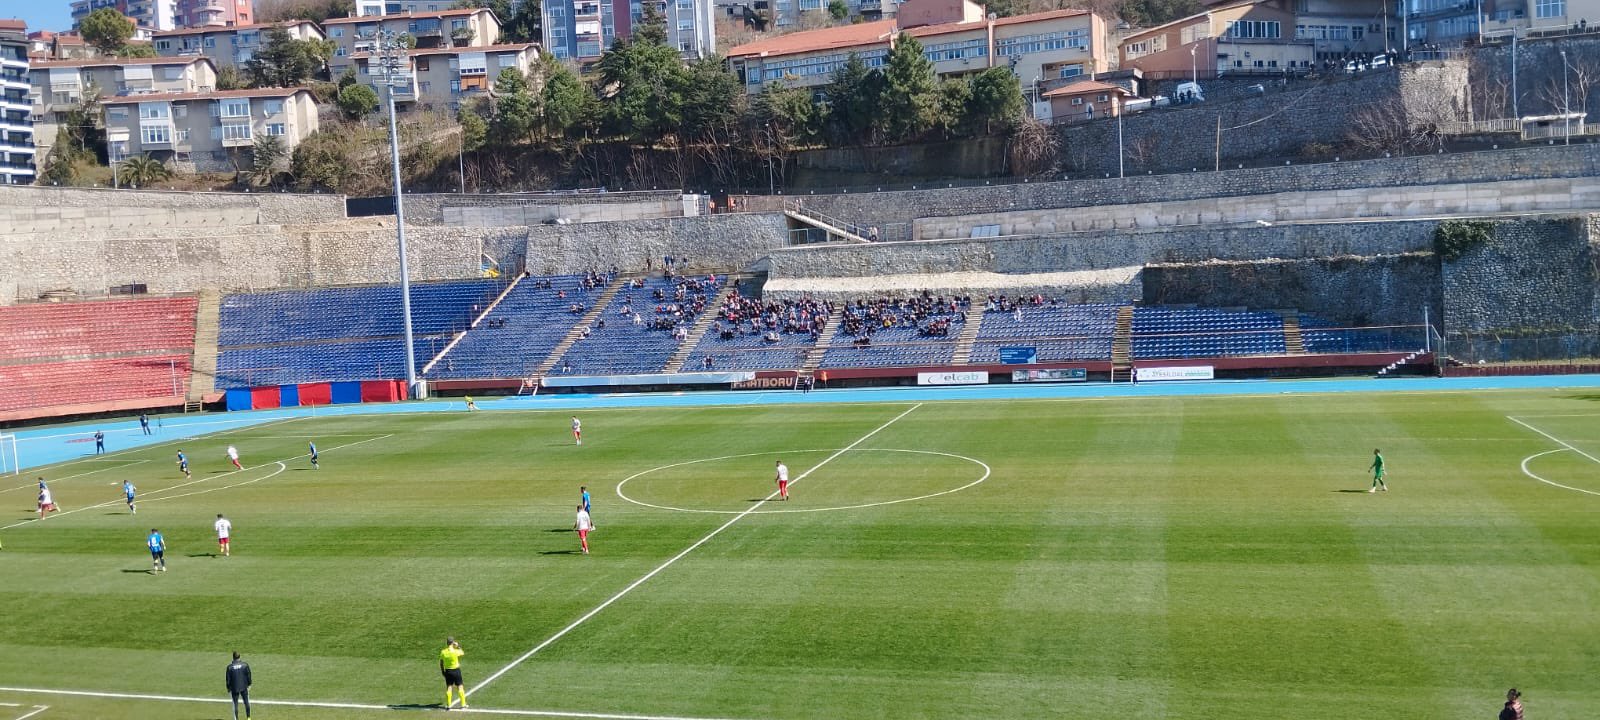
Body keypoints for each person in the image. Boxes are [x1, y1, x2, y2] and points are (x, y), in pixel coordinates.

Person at [439, 637, 467, 710]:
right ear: (453, 643)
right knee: (460, 686)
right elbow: (462, 652)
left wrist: (443, 671)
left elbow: (441, 663)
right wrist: (458, 646)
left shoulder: (443, 652)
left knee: (449, 687)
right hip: (456, 671)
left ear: (447, 643)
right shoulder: (455, 651)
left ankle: (448, 705)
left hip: (448, 671)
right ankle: (463, 704)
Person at [225, 651, 252, 720]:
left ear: (233, 657)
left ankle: (236, 719)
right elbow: (249, 675)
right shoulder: (245, 665)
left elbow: (228, 679)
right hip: (244, 687)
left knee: (235, 704)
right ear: (240, 657)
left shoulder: (229, 667)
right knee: (246, 702)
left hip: (234, 688)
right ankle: (248, 718)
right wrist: (249, 684)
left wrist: (228, 688)